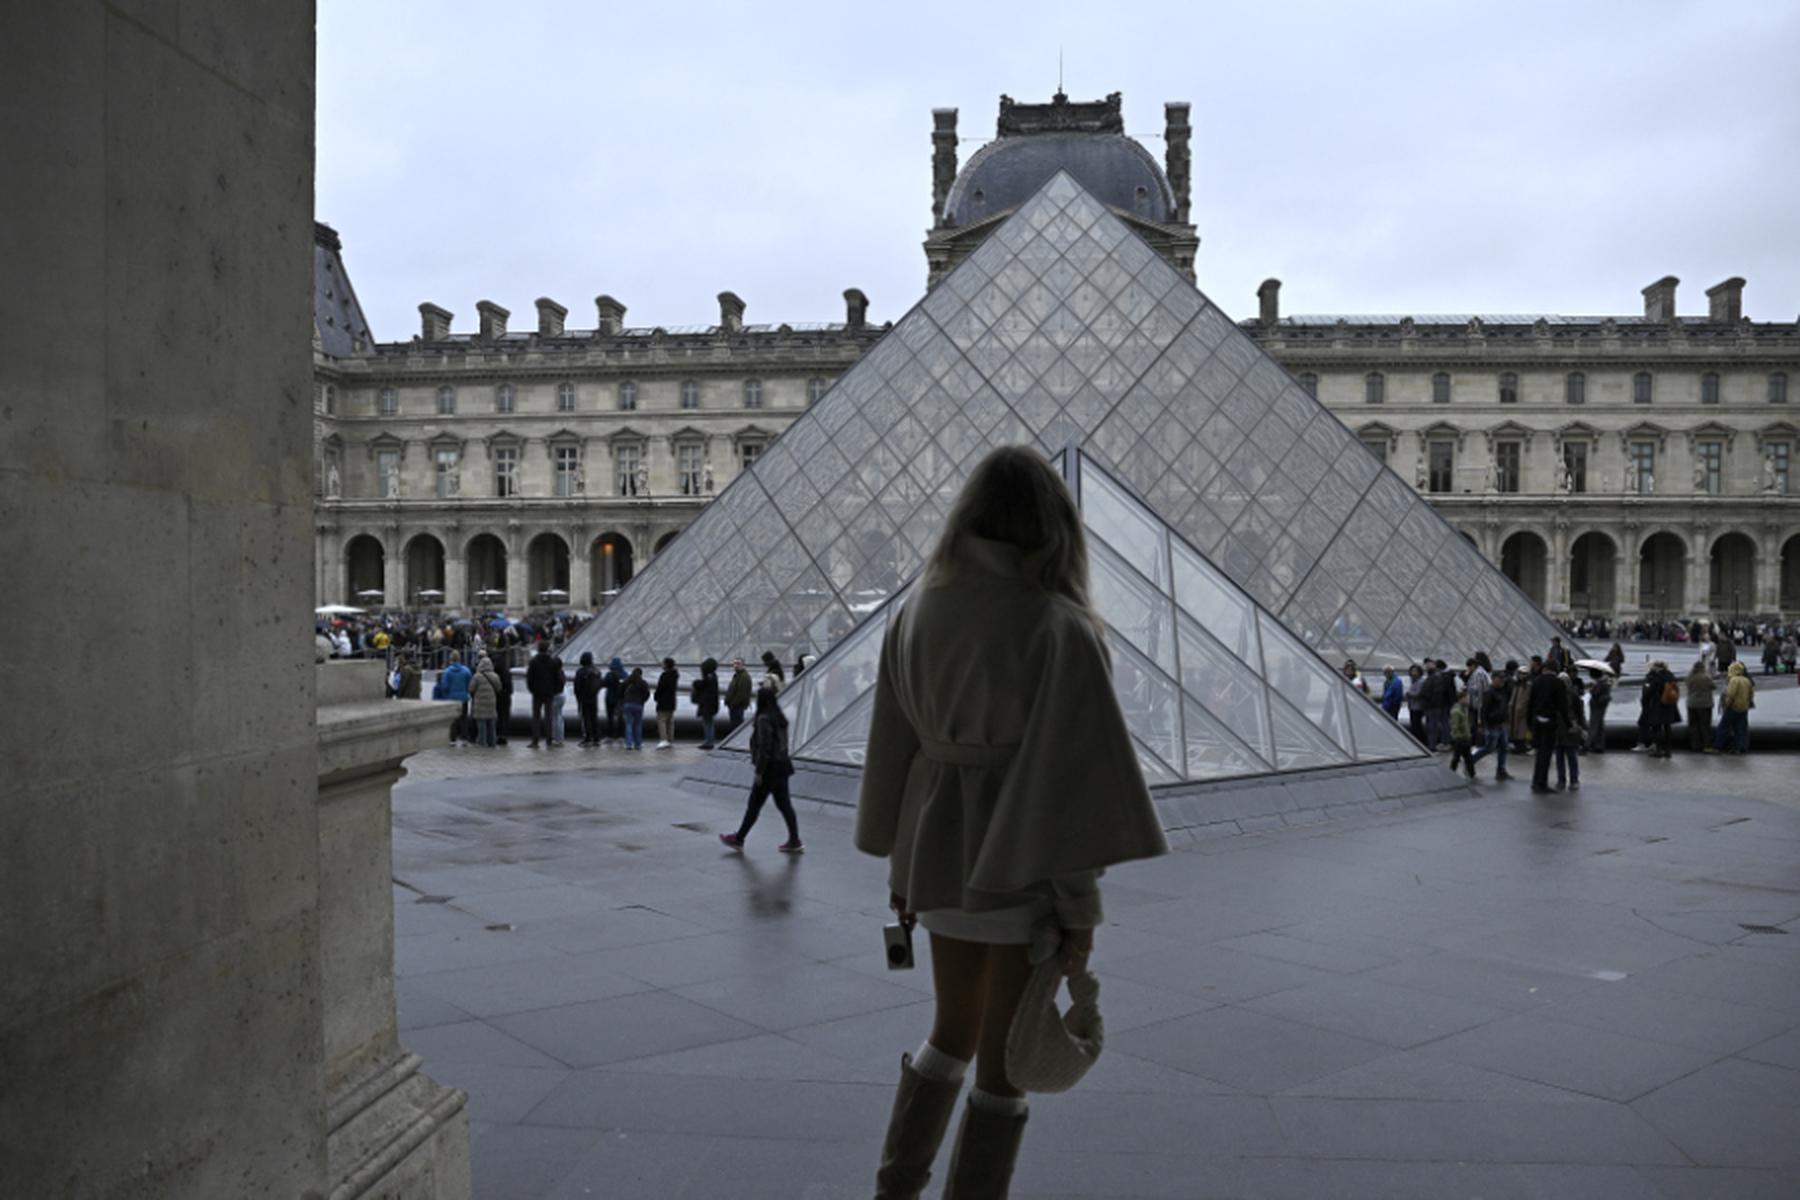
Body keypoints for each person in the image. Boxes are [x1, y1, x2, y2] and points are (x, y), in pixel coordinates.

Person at [852, 446, 1169, 1198]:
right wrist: (1079, 912)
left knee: (948, 1032)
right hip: (1021, 869)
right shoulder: (1059, 627)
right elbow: (1071, 791)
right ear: (1053, 526)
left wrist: (899, 867)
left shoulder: (917, 611)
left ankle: (895, 1188)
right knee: (1002, 1069)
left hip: (936, 859)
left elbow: (890, 751)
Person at [718, 685, 804, 852]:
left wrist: (759, 771)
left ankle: (739, 838)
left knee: (755, 804)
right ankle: (794, 840)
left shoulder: (764, 719)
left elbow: (765, 747)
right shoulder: (779, 717)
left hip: (769, 768)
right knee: (784, 804)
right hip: (782, 766)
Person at [1527, 660, 1570, 792]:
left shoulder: (1536, 681)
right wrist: (1568, 723)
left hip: (1537, 721)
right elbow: (1563, 706)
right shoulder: (1558, 683)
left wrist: (1529, 723)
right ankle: (1541, 783)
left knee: (1539, 753)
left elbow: (1530, 703)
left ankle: (1536, 782)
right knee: (1546, 754)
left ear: (1545, 668)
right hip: (1550, 721)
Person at [1468, 665, 1513, 780]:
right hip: (1492, 725)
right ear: (1493, 679)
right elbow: (1484, 710)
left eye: (1503, 679)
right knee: (1489, 747)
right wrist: (1483, 725)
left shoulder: (1502, 691)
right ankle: (1470, 761)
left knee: (1503, 747)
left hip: (1501, 724)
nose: (1502, 681)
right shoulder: (1489, 692)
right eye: (1499, 679)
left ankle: (1501, 770)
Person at [1640, 659, 1680, 759]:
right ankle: (1668, 751)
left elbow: (1647, 693)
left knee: (1656, 728)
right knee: (1667, 728)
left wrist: (1644, 703)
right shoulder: (1670, 675)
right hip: (1669, 705)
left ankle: (1658, 750)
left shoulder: (1653, 677)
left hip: (1657, 705)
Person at [432, 650, 473, 745]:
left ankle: (452, 739)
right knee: (464, 718)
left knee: (453, 719)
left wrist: (447, 694)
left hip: (452, 698)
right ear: (459, 659)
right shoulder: (466, 671)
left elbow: (444, 686)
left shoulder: (447, 672)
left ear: (451, 659)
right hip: (463, 698)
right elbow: (470, 684)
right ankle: (464, 738)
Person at [1554, 667, 1585, 791]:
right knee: (1560, 757)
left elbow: (1580, 713)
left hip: (1569, 729)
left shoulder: (1573, 695)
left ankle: (1573, 780)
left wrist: (1580, 726)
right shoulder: (1558, 695)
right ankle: (1562, 780)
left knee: (1570, 756)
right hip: (1559, 729)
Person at [526, 641, 561, 749]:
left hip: (537, 693)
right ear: (547, 649)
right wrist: (555, 690)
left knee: (536, 717)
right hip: (549, 693)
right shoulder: (553, 662)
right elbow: (558, 678)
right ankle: (549, 740)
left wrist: (532, 690)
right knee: (548, 717)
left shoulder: (533, 662)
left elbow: (529, 678)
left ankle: (535, 741)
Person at [1717, 661, 1755, 754]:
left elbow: (1730, 694)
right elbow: (1751, 694)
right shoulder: (1746, 680)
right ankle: (1740, 747)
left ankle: (1718, 746)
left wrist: (1727, 704)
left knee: (1723, 727)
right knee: (1740, 729)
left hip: (1733, 707)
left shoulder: (1734, 680)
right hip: (1743, 708)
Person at [468, 653, 503, 748]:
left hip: (480, 703)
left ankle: (482, 742)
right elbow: (499, 688)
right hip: (491, 702)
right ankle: (492, 742)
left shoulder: (477, 676)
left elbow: (471, 689)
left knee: (481, 723)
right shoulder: (495, 676)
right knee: (491, 722)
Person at [1684, 660, 1716, 754]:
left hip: (1691, 704)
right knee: (1705, 726)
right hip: (1705, 704)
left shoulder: (1689, 677)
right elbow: (1713, 686)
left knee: (1693, 725)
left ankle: (1695, 746)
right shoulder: (1706, 677)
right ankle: (1707, 746)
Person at [573, 652, 604, 747]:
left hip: (584, 698)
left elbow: (577, 687)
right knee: (594, 718)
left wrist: (578, 698)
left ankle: (588, 738)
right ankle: (597, 738)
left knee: (586, 718)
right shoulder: (597, 671)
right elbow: (600, 684)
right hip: (594, 698)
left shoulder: (580, 671)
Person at [692, 657, 722, 750]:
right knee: (709, 723)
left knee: (708, 723)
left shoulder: (709, 677)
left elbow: (704, 686)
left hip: (707, 705)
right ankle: (709, 741)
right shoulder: (713, 676)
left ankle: (708, 742)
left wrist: (696, 683)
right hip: (710, 705)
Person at [620, 666, 650, 750]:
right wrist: (642, 701)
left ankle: (629, 744)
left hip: (627, 704)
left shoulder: (627, 681)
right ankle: (638, 744)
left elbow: (620, 692)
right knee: (638, 725)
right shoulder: (643, 682)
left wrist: (623, 701)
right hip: (638, 705)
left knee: (628, 724)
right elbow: (647, 694)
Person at [654, 657, 680, 749]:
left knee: (661, 721)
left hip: (663, 701)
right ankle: (670, 740)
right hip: (672, 701)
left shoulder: (665, 675)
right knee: (670, 722)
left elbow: (660, 688)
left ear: (666, 665)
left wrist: (656, 697)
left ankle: (663, 740)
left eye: (663, 663)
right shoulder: (675, 675)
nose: (662, 664)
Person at [1447, 691, 1474, 780]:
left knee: (1467, 758)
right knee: (1457, 758)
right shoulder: (1456, 711)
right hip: (1460, 739)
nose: (1468, 700)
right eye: (1466, 698)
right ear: (1461, 699)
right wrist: (1458, 737)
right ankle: (1451, 773)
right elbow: (1454, 726)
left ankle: (1471, 774)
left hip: (1465, 738)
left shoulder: (1463, 709)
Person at [1584, 668, 1611, 753]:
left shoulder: (1600, 683)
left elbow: (1595, 693)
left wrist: (1592, 688)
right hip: (1600, 706)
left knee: (1594, 725)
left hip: (1597, 706)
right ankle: (1599, 745)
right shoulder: (1604, 682)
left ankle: (1587, 746)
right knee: (1599, 725)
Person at [601, 656, 626, 746]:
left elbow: (603, 683)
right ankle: (621, 736)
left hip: (610, 699)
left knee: (610, 718)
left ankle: (610, 736)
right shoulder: (624, 674)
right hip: (621, 699)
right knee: (621, 718)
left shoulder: (609, 674)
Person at [724, 657, 753, 731]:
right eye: (734, 663)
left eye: (738, 663)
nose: (736, 665)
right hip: (735, 705)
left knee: (737, 726)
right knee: (735, 725)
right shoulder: (738, 675)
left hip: (737, 706)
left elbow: (742, 693)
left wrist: (733, 703)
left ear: (743, 665)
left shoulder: (744, 677)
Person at [547, 648, 569, 746]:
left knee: (555, 718)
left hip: (555, 697)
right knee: (559, 717)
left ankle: (556, 738)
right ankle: (560, 738)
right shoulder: (561, 673)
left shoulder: (553, 674)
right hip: (562, 696)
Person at [1403, 663, 1426, 743]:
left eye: (1415, 671)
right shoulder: (1414, 682)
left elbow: (1418, 694)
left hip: (1418, 707)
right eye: (1412, 671)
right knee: (1414, 725)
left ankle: (1421, 741)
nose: (1413, 673)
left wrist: (1409, 694)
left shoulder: (1420, 682)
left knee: (1417, 725)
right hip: (1413, 706)